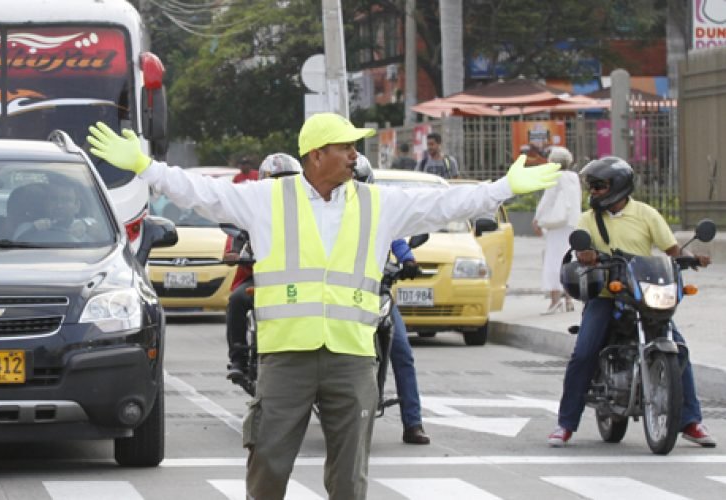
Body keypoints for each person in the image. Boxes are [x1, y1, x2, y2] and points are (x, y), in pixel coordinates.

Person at [87, 113, 561, 499]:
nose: (355, 155)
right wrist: (147, 167)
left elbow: (447, 205)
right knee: (268, 464)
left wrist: (503, 187)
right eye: (346, 147)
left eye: (355, 147)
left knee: (350, 475)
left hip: (352, 358)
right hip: (284, 357)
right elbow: (202, 192)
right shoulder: (267, 199)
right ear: (317, 155)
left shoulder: (381, 204)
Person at [547, 156, 716, 448]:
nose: (594, 192)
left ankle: (690, 421)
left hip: (643, 294)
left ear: (619, 186)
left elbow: (671, 250)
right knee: (584, 352)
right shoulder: (588, 219)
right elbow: (580, 249)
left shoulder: (646, 214)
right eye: (592, 187)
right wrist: (585, 255)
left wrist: (690, 258)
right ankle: (565, 424)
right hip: (607, 296)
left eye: (599, 186)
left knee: (680, 349)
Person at [353, 156, 430, 445]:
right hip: (343, 299)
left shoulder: (378, 215)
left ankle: (413, 423)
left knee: (402, 352)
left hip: (378, 294)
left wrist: (408, 261)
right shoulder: (330, 219)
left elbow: (396, 240)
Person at [224, 153, 303, 383]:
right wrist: (234, 254)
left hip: (297, 282)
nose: (282, 187)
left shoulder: (309, 213)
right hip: (259, 279)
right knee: (237, 300)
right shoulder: (253, 210)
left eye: (289, 181)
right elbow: (237, 238)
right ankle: (238, 358)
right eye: (276, 181)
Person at [531, 146, 582, 314]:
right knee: (568, 259)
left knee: (554, 260)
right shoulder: (574, 178)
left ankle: (554, 300)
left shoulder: (555, 177)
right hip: (572, 223)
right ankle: (568, 299)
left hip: (557, 225)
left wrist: (537, 218)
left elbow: (548, 199)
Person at [13, 184, 92, 241]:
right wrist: (32, 230)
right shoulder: (27, 228)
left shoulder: (87, 231)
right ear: (46, 203)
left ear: (77, 206)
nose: (59, 205)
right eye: (54, 199)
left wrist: (87, 226)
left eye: (66, 200)